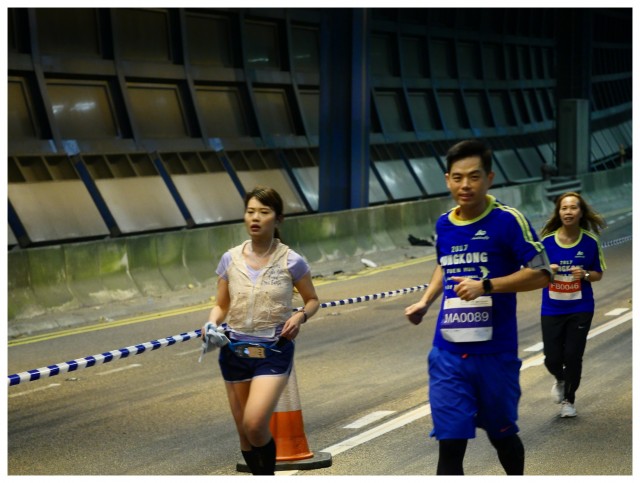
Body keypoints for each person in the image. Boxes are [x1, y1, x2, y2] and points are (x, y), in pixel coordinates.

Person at [404, 139, 552, 475]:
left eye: (474, 176)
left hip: (495, 354)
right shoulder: (444, 224)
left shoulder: (508, 221)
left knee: (503, 436)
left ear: (489, 178)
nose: (465, 185)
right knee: (450, 444)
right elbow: (444, 264)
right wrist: (425, 301)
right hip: (448, 354)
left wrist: (486, 285)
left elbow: (542, 274)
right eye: (457, 178)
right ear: (447, 180)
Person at [201, 186, 319, 475]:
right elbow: (221, 305)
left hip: (273, 350)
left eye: (263, 212)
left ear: (277, 219)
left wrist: (300, 316)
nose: (255, 218)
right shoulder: (230, 259)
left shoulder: (291, 260)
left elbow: (312, 300)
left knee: (255, 425)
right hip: (234, 350)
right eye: (250, 211)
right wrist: (210, 323)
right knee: (245, 433)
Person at [539, 192, 606, 418]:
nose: (568, 212)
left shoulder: (590, 241)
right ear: (559, 212)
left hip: (580, 308)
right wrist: (548, 270)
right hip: (552, 308)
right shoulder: (546, 242)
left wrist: (584, 274)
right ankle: (560, 378)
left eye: (573, 208)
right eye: (564, 208)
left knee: (573, 356)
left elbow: (598, 274)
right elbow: (532, 272)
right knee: (552, 358)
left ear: (581, 212)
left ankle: (569, 400)